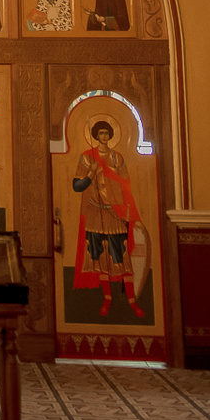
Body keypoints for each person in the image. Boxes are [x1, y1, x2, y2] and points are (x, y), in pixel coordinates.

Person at [72, 120, 141, 317]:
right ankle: (107, 299)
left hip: (115, 213)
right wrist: (91, 173)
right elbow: (77, 186)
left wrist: (127, 211)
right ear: (95, 135)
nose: (104, 136)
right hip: (95, 213)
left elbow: (126, 184)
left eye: (106, 133)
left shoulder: (117, 158)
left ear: (110, 135)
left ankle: (132, 301)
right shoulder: (86, 157)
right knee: (101, 258)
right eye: (100, 133)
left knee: (121, 257)